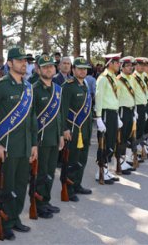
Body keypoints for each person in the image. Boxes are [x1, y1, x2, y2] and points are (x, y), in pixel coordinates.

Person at [0, 46, 38, 240]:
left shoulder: (28, 86)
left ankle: (15, 219)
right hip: (6, 147)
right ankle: (4, 222)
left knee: (21, 185)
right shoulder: (0, 85)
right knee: (6, 188)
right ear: (9, 63)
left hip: (24, 146)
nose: (24, 64)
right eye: (20, 60)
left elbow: (31, 117)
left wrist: (33, 144)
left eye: (26, 61)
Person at [33, 55, 64, 217]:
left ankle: (46, 200)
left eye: (51, 66)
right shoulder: (33, 89)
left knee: (50, 172)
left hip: (54, 138)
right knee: (41, 173)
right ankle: (38, 204)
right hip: (41, 140)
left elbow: (59, 115)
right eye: (44, 67)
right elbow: (31, 119)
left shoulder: (57, 89)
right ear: (38, 69)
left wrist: (60, 135)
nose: (48, 69)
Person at [61, 57, 94, 199]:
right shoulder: (68, 86)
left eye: (85, 69)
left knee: (82, 159)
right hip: (73, 129)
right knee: (72, 160)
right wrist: (65, 129)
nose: (83, 71)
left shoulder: (85, 84)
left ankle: (77, 184)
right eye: (80, 68)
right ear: (73, 70)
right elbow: (62, 110)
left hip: (85, 130)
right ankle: (68, 188)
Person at [95, 53, 122, 182]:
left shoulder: (113, 77)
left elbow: (114, 98)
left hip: (113, 113)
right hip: (105, 113)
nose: (119, 65)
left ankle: (106, 170)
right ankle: (99, 172)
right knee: (104, 143)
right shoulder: (103, 78)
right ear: (110, 63)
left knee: (111, 142)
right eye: (117, 62)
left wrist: (117, 116)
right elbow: (98, 98)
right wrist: (98, 117)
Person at [116, 56, 138, 174]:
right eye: (128, 66)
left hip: (130, 110)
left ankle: (125, 159)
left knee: (128, 136)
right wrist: (117, 116)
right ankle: (120, 162)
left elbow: (132, 96)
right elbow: (117, 98)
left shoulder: (131, 79)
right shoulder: (119, 79)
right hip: (122, 110)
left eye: (131, 66)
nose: (130, 68)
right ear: (122, 67)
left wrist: (134, 111)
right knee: (122, 137)